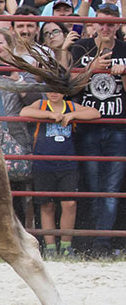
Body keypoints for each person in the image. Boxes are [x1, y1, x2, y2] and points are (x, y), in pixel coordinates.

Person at [65, 4, 126, 257]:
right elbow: (69, 89)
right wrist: (92, 68)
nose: (105, 28)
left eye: (111, 24)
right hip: (88, 126)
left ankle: (102, 243)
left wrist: (123, 76)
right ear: (94, 23)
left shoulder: (124, 49)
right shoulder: (82, 48)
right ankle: (88, 241)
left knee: (111, 188)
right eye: (101, 23)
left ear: (118, 25)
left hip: (118, 126)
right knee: (90, 186)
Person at [20, 92, 99, 257]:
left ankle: (65, 246)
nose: (53, 93)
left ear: (64, 91)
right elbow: (24, 112)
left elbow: (95, 112)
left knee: (69, 204)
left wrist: (72, 115)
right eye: (50, 89)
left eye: (57, 89)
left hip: (67, 163)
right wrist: (50, 115)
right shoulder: (41, 104)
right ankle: (50, 248)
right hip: (43, 162)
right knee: (47, 205)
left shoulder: (70, 106)